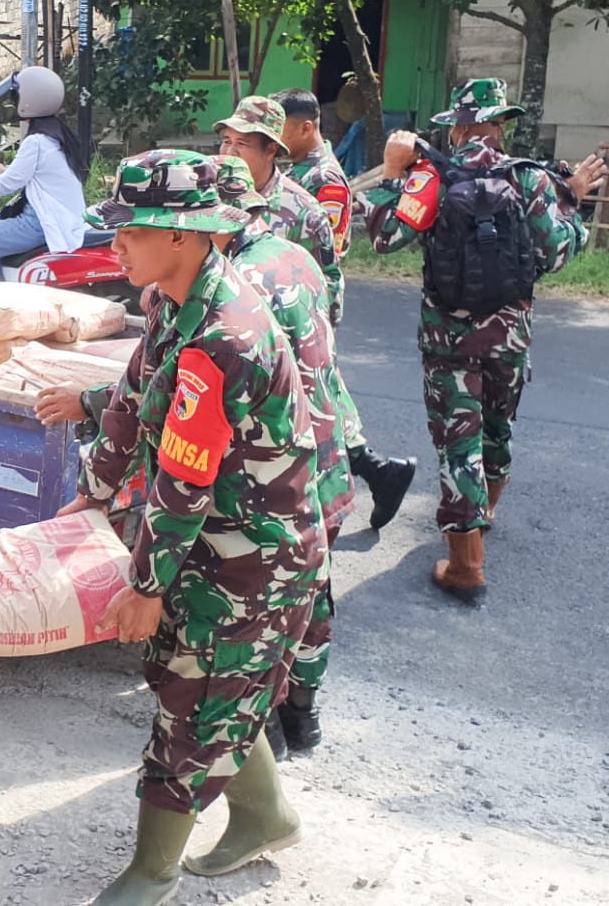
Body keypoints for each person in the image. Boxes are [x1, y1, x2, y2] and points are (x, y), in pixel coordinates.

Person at [64, 151, 324, 905]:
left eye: (130, 231)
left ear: (184, 236)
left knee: (196, 700)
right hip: (209, 544)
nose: (115, 245)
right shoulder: (170, 303)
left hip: (254, 561)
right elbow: (128, 398)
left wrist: (146, 585)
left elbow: (184, 484)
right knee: (197, 682)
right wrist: (91, 493)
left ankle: (151, 872)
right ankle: (267, 814)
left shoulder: (224, 337)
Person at [366, 78, 602, 604]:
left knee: (458, 439)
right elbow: (557, 255)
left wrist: (391, 171)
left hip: (448, 336)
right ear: (499, 126)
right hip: (510, 334)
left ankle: (466, 562)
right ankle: (484, 511)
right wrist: (574, 201)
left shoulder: (434, 178)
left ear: (460, 128)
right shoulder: (529, 180)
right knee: (497, 425)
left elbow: (384, 236)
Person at [217, 94, 418, 529]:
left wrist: (312, 345)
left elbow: (324, 277)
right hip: (235, 348)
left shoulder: (302, 209)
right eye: (225, 143)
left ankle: (324, 517)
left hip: (289, 346)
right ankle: (380, 475)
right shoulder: (215, 200)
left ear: (272, 149)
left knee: (309, 432)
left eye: (240, 145)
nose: (227, 153)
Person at [211, 154, 350, 758]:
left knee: (260, 602)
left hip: (278, 468)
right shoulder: (296, 257)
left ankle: (259, 729)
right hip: (328, 453)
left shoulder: (237, 280)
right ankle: (304, 717)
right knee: (313, 590)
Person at [0, 65, 89, 284]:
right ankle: (3, 286)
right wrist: (3, 172)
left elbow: (9, 184)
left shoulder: (37, 141)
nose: (14, 102)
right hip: (58, 216)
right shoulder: (56, 134)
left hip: (40, 222)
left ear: (29, 100)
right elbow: (31, 176)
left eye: (17, 97)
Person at [274, 88, 354, 254]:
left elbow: (328, 252)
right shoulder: (300, 168)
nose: (273, 136)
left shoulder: (326, 179)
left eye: (278, 129)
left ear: (305, 129)